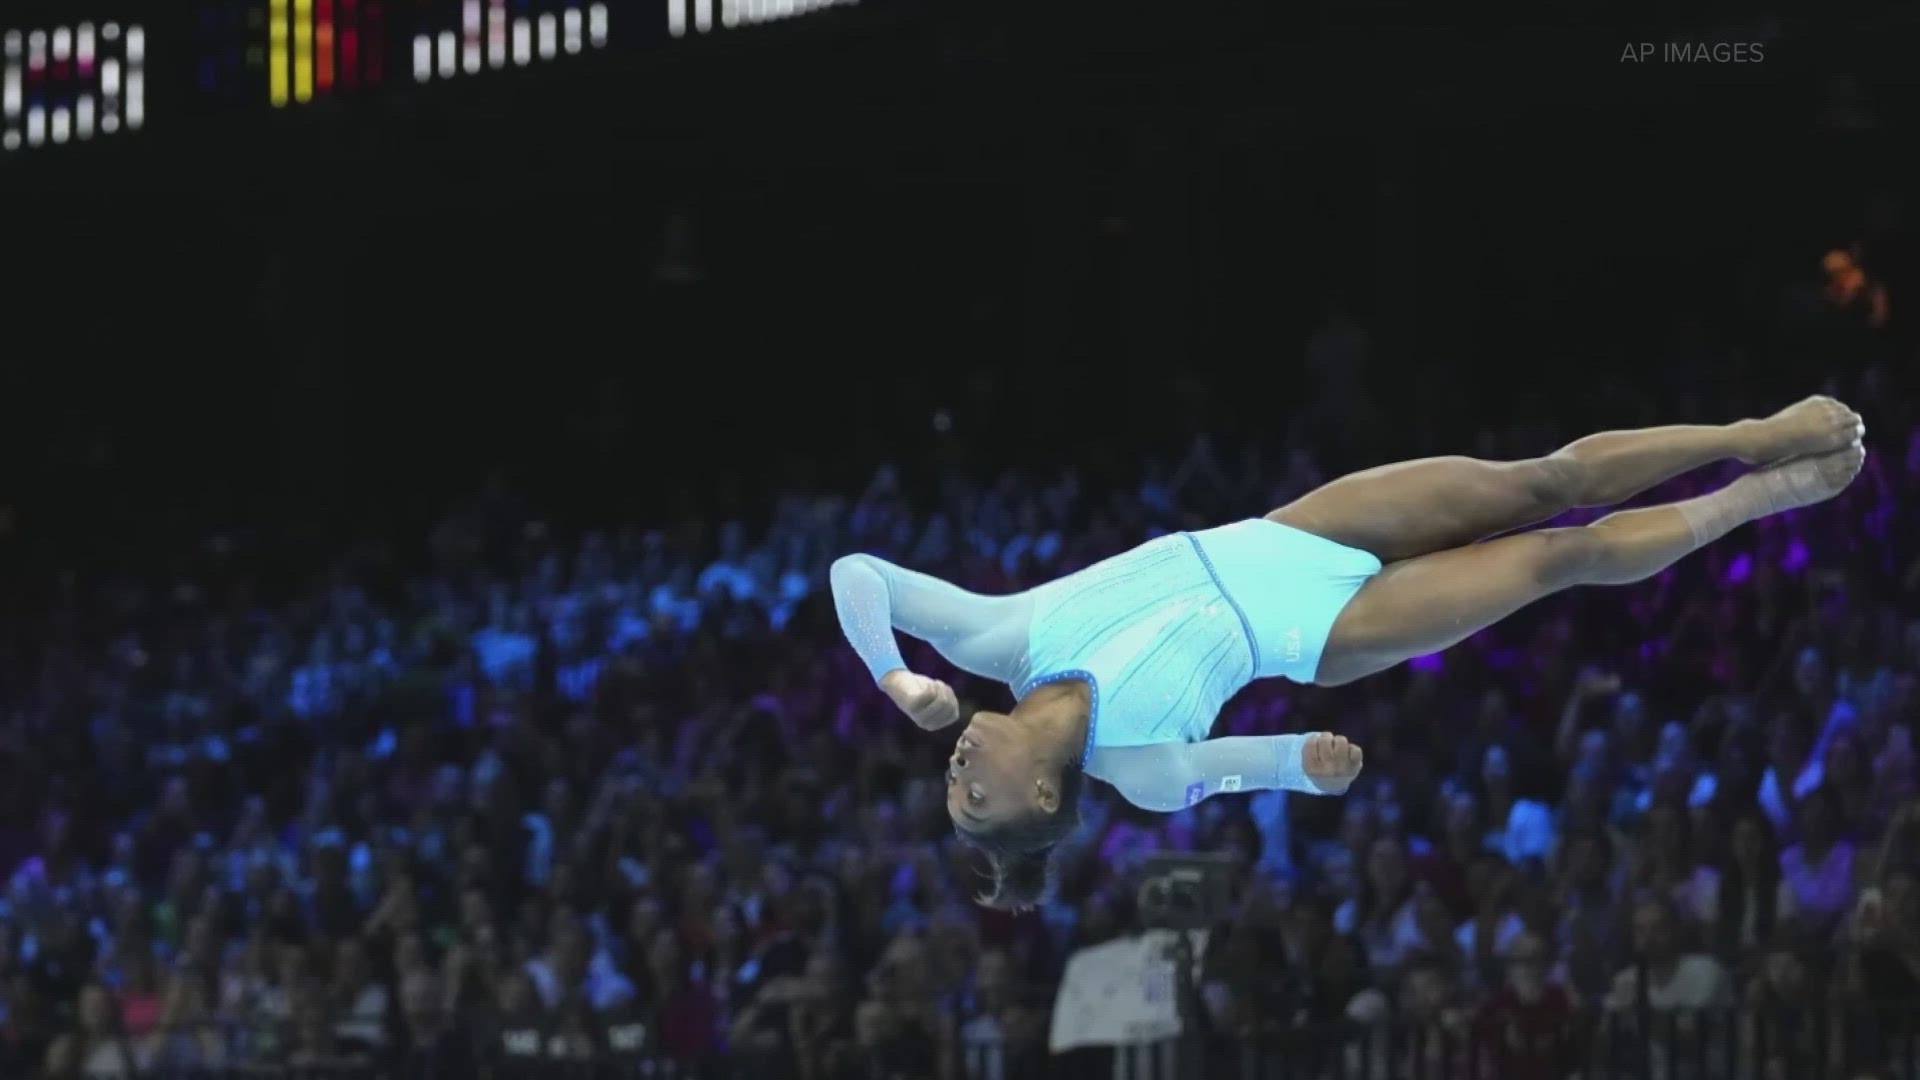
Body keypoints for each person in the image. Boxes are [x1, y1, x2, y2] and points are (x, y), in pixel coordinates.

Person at [831, 397, 1867, 909]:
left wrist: (893, 672)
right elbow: (1267, 767)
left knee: (1542, 481)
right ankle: (1760, 496)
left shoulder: (1001, 637)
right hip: (1326, 632)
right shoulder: (1136, 772)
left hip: (1297, 534)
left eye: (951, 782)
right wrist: (1314, 768)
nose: (955, 769)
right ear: (1046, 802)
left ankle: (1755, 432)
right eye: (974, 800)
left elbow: (859, 575)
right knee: (1563, 557)